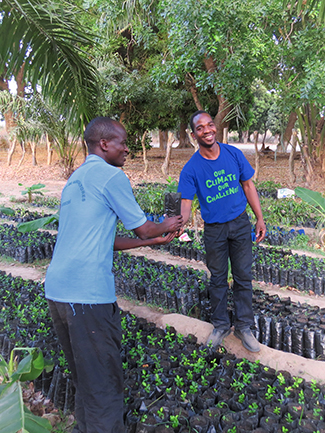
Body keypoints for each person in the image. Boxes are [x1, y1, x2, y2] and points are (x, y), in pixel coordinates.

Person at [45, 117, 183, 433]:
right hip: (87, 297)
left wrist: (150, 241)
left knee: (86, 378)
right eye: (122, 142)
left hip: (58, 291)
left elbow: (102, 238)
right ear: (104, 144)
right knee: (105, 385)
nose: (127, 149)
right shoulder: (111, 177)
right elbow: (144, 225)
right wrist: (168, 225)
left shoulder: (76, 179)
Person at [177, 110, 266, 353]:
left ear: (215, 127)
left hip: (239, 224)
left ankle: (244, 327)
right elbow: (186, 202)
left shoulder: (233, 154)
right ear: (193, 134)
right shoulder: (191, 169)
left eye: (209, 125)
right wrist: (178, 224)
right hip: (214, 230)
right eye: (200, 128)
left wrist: (259, 218)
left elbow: (248, 184)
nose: (207, 130)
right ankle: (220, 325)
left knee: (242, 276)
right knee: (217, 279)